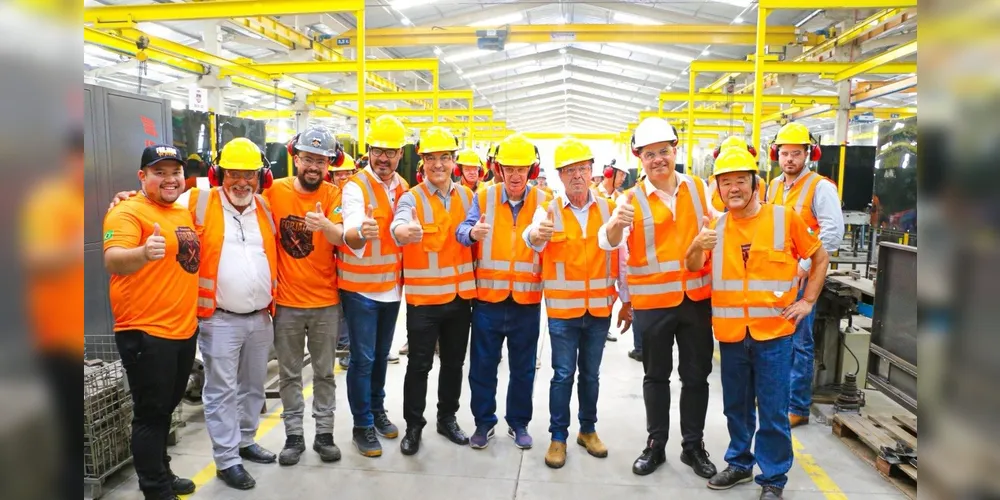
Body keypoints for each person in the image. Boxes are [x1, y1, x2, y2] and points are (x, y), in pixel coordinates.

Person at [685, 147, 829, 500]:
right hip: (733, 336)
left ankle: (774, 479)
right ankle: (739, 463)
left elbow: (819, 256)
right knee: (736, 406)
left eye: (740, 181)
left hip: (774, 335)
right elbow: (692, 266)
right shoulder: (714, 228)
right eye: (726, 182)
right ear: (717, 188)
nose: (733, 188)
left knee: (773, 409)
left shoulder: (785, 219)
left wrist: (807, 301)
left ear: (755, 184)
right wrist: (694, 245)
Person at [599, 117, 717, 479]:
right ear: (640, 158)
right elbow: (608, 241)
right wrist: (617, 222)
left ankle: (693, 446)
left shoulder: (699, 188)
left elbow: (721, 225)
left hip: (695, 299)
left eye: (663, 152)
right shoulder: (629, 200)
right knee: (656, 376)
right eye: (649, 154)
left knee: (697, 376)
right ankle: (656, 445)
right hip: (652, 304)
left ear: (675, 151)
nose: (658, 160)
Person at [179, 138, 279, 489]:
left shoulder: (264, 208)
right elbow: (155, 205)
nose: (241, 182)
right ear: (218, 174)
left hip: (260, 316)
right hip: (218, 317)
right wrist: (125, 198)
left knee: (254, 386)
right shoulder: (197, 201)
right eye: (233, 174)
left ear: (260, 178)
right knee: (221, 390)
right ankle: (226, 459)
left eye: (249, 175)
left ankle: (246, 440)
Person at [103, 144, 200, 500]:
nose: (169, 179)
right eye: (160, 172)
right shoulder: (127, 212)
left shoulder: (181, 210)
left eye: (175, 172)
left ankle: (162, 471)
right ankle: (156, 490)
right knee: (150, 414)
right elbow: (114, 260)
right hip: (146, 332)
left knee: (166, 409)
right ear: (143, 177)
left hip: (182, 330)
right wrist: (143, 253)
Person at [524, 138, 621, 468]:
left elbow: (621, 254)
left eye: (582, 168)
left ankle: (588, 430)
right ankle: (558, 437)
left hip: (599, 309)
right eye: (569, 170)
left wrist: (629, 300)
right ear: (559, 176)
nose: (577, 175)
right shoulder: (547, 210)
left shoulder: (608, 208)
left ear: (592, 171)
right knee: (563, 374)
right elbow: (532, 237)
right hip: (563, 312)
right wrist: (538, 235)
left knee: (590, 375)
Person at [456, 133, 549, 450]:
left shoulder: (542, 201)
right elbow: (461, 231)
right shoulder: (483, 197)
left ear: (531, 171)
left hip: (526, 300)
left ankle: (519, 423)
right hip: (489, 301)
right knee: (482, 367)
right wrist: (471, 231)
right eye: (509, 168)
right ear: (499, 169)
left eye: (522, 168)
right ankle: (483, 423)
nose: (515, 175)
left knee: (523, 369)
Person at [390, 126, 476, 455]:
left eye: (444, 157)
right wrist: (403, 230)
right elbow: (398, 225)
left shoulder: (469, 197)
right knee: (419, 366)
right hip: (424, 302)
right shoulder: (410, 198)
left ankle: (447, 418)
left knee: (454, 364)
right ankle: (414, 425)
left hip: (459, 299)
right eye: (431, 158)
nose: (438, 164)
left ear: (454, 161)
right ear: (422, 162)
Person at [266, 128, 347, 466]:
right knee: (289, 374)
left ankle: (324, 434)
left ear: (329, 164)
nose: (314, 166)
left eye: (321, 160)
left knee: (325, 372)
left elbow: (344, 236)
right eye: (308, 159)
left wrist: (324, 226)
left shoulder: (334, 195)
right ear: (296, 158)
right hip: (286, 303)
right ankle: (294, 435)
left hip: (326, 302)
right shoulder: (273, 192)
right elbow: (228, 196)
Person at [764, 123, 844, 428]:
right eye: (784, 153)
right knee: (773, 339)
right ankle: (777, 396)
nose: (789, 160)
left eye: (796, 153)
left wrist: (805, 267)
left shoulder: (820, 187)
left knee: (799, 341)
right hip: (774, 277)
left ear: (809, 154)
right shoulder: (772, 186)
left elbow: (832, 235)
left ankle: (798, 406)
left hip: (802, 277)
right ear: (776, 155)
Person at [339, 115, 411, 457]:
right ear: (368, 151)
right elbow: (351, 223)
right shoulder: (355, 185)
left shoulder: (403, 187)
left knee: (381, 356)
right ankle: (361, 424)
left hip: (390, 288)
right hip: (361, 289)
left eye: (391, 152)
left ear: (400, 154)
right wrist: (359, 232)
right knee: (363, 358)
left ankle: (377, 409)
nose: (384, 159)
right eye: (378, 151)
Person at [591, 158, 632, 344]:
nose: (623, 178)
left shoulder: (620, 199)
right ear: (608, 172)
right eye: (621, 174)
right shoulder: (591, 194)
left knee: (609, 295)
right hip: (594, 259)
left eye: (624, 175)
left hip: (614, 258)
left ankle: (603, 328)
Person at [329, 154, 358, 369]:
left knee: (349, 313)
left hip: (351, 264)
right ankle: (343, 348)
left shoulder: (355, 195)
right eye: (339, 173)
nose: (344, 177)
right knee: (339, 313)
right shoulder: (329, 196)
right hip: (329, 263)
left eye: (348, 172)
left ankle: (348, 349)